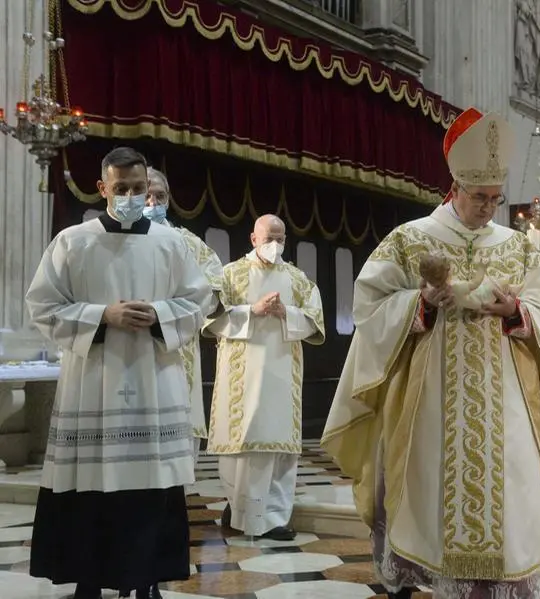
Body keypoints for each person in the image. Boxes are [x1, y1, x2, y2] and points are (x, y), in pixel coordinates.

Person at [322, 108, 540, 599]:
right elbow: (369, 307)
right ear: (455, 187)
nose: (488, 209)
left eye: (496, 199)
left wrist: (514, 309)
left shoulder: (517, 247)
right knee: (425, 488)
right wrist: (421, 303)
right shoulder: (411, 239)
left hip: (504, 403)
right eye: (480, 198)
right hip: (430, 396)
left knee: (510, 495)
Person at [25, 147, 212, 599]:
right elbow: (42, 306)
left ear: (148, 188)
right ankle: (88, 582)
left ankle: (147, 579)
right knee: (91, 493)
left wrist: (162, 312)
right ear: (102, 187)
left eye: (137, 188)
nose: (130, 196)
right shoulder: (73, 241)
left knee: (150, 493)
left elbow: (199, 302)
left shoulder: (172, 244)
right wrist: (101, 315)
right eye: (121, 188)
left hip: (152, 383)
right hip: (93, 385)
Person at [204, 214, 325, 541]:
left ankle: (272, 519)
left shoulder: (297, 280)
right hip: (241, 378)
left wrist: (289, 313)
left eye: (280, 239)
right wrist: (251, 311)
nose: (274, 245)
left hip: (281, 373)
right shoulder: (230, 274)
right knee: (240, 446)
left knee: (279, 450)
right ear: (253, 238)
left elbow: (315, 321)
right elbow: (210, 319)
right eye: (268, 238)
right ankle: (236, 507)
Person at [144, 167, 224, 466]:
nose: (153, 203)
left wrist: (178, 307)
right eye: (147, 195)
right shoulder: (116, 240)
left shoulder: (187, 242)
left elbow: (214, 284)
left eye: (160, 196)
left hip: (178, 343)